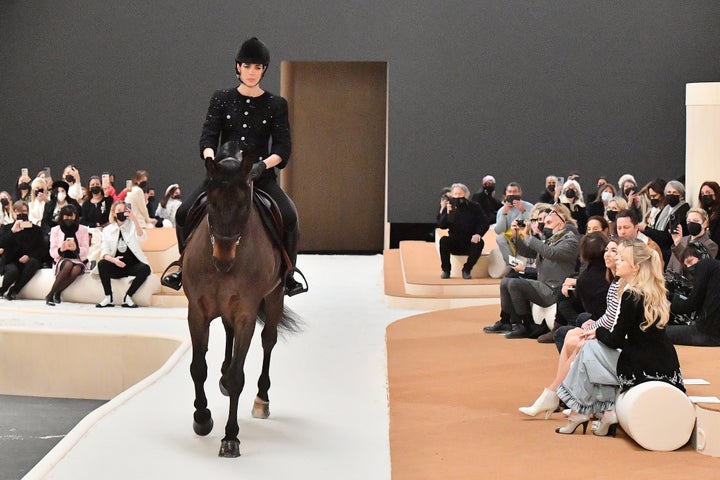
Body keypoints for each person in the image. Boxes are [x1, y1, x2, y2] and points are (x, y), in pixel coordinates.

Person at [164, 37, 306, 296]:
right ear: (238, 67)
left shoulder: (276, 104)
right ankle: (181, 265)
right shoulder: (221, 98)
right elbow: (209, 136)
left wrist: (262, 166)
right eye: (247, 67)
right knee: (184, 212)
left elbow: (283, 148)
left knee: (290, 216)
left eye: (258, 68)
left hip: (259, 176)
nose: (252, 72)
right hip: (223, 177)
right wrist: (211, 161)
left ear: (264, 70)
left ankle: (288, 274)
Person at [554, 240, 684, 436]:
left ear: (635, 267)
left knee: (589, 350)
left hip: (644, 367)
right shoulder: (651, 291)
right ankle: (599, 413)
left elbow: (614, 339)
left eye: (622, 259)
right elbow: (638, 338)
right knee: (591, 349)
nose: (617, 261)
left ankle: (581, 411)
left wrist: (597, 332)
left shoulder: (631, 294)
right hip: (666, 365)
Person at [518, 238, 620, 420]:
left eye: (614, 251)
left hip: (620, 342)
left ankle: (555, 395)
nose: (608, 254)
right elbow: (608, 316)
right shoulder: (610, 280)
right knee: (571, 334)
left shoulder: (620, 284)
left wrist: (592, 328)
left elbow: (615, 320)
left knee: (578, 339)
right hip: (605, 328)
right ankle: (561, 395)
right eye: (607, 250)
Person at [484, 203, 579, 338]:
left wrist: (529, 238)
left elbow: (551, 253)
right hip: (544, 284)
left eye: (548, 222)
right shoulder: (552, 239)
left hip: (554, 289)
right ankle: (508, 321)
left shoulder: (570, 240)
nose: (544, 226)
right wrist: (518, 235)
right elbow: (527, 251)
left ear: (561, 223)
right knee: (506, 281)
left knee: (514, 283)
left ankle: (526, 325)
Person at [95, 201, 152, 308]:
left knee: (145, 268)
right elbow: (104, 251)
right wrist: (114, 260)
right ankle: (108, 297)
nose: (122, 213)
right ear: (113, 213)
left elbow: (142, 237)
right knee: (102, 264)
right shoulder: (107, 230)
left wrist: (134, 219)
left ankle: (128, 296)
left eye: (124, 210)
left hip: (132, 266)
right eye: (119, 211)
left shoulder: (132, 226)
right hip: (116, 265)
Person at [667, 247, 720, 346]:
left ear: (702, 256)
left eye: (690, 261)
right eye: (686, 265)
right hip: (712, 332)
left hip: (708, 333)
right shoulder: (714, 272)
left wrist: (670, 305)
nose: (688, 267)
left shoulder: (704, 264)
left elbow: (692, 303)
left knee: (660, 333)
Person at [437, 183, 489, 279]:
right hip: (455, 242)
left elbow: (484, 222)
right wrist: (446, 213)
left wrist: (478, 234)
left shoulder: (474, 206)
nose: (457, 196)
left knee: (480, 243)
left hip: (470, 242)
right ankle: (446, 270)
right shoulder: (450, 207)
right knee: (444, 240)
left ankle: (467, 269)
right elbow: (442, 225)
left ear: (466, 195)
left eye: (460, 194)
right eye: (455, 194)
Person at [45, 205, 90, 305]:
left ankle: (57, 292)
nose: (69, 219)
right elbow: (52, 251)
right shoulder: (55, 230)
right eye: (66, 216)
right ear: (62, 216)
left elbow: (86, 249)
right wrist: (61, 249)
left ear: (75, 217)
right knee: (68, 264)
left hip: (78, 260)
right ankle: (50, 294)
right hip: (62, 259)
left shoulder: (83, 229)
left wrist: (76, 249)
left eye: (71, 216)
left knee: (77, 269)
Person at [0, 201, 45, 300]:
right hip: (11, 261)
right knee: (13, 271)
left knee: (33, 262)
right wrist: (13, 231)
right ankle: (2, 290)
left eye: (24, 211)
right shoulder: (7, 228)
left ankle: (14, 290)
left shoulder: (36, 229)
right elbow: (2, 244)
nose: (22, 214)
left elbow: (41, 248)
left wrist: (29, 256)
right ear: (13, 213)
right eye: (18, 212)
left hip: (29, 260)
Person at [639, 180, 689, 266]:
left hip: (671, 254)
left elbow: (667, 237)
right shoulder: (666, 209)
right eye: (669, 192)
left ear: (681, 194)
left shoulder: (683, 211)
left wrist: (646, 229)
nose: (671, 195)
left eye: (674, 192)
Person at [666, 207, 718, 279]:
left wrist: (678, 243)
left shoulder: (711, 245)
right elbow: (670, 268)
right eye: (689, 221)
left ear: (705, 223)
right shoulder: (682, 240)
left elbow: (693, 268)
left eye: (695, 221)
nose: (691, 224)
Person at [493, 182, 534, 267]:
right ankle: (512, 266)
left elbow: (534, 226)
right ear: (506, 193)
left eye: (515, 191)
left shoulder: (529, 206)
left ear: (520, 193)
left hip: (525, 237)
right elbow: (498, 231)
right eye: (509, 191)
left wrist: (523, 210)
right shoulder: (502, 210)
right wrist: (504, 214)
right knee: (500, 238)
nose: (512, 194)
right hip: (510, 238)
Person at [698, 181, 720, 256]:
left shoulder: (718, 214)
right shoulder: (702, 213)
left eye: (708, 192)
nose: (705, 195)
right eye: (702, 194)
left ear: (716, 194)